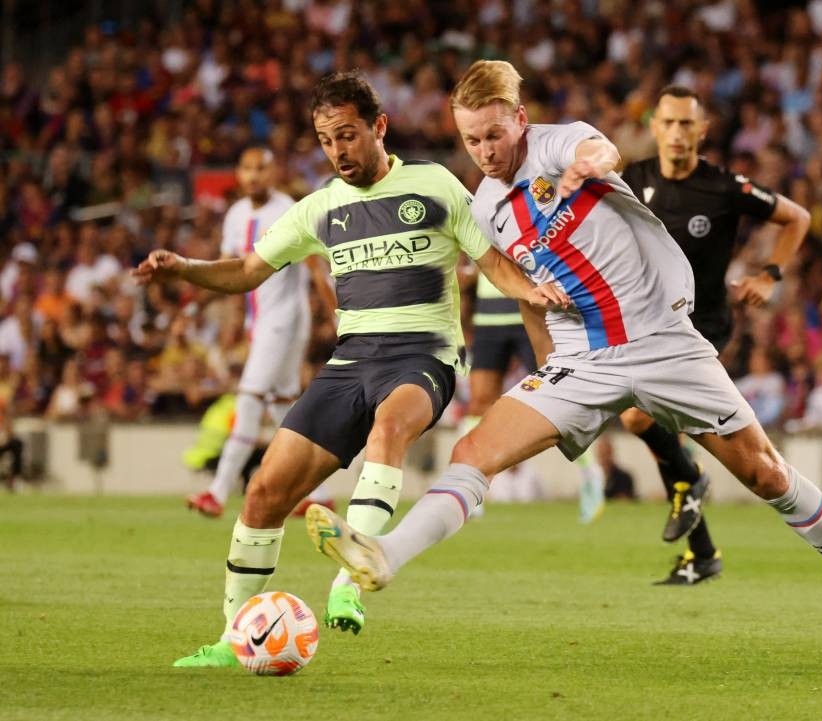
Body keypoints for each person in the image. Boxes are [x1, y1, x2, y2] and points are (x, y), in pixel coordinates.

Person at [306, 60, 822, 670]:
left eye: (494, 134)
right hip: (581, 359)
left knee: (765, 475)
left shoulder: (557, 142)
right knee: (472, 454)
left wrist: (587, 164)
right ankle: (386, 555)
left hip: (662, 342)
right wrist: (547, 378)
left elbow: (603, 150)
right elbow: (529, 297)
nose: (485, 151)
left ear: (519, 119)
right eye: (471, 139)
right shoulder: (487, 207)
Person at [132, 70, 566, 668]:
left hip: (422, 357)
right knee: (263, 493)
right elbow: (246, 271)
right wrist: (184, 266)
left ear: (378, 127)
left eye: (348, 135)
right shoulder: (321, 208)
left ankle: (348, 586)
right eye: (326, 139)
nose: (338, 151)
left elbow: (489, 258)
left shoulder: (435, 184)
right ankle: (234, 640)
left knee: (388, 433)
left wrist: (534, 290)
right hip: (349, 362)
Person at [617, 85, 812, 584]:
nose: (678, 133)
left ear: (702, 131)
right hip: (643, 324)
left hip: (700, 326)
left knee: (641, 419)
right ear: (654, 128)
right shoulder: (630, 180)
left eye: (687, 124)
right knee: (649, 426)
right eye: (669, 123)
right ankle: (701, 551)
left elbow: (797, 218)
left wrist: (770, 273)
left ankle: (693, 482)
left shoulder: (725, 187)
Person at [184, 146, 337, 519]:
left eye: (261, 169)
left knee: (250, 398)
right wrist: (197, 308)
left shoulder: (287, 209)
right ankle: (320, 493)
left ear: (274, 174)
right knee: (285, 406)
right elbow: (227, 269)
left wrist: (337, 314)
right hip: (261, 320)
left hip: (285, 319)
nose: (254, 176)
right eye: (247, 169)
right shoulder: (236, 214)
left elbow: (316, 266)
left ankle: (218, 492)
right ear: (238, 173)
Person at [461, 271, 605, 522]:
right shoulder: (475, 230)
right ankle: (471, 488)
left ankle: (590, 473)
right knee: (479, 403)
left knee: (558, 396)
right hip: (488, 317)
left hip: (528, 311)